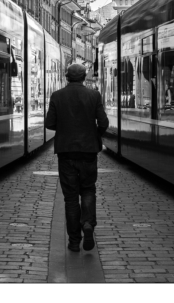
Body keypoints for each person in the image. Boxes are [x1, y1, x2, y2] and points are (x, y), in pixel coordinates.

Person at [46, 63, 109, 252]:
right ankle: (88, 223)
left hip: (66, 153)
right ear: (84, 77)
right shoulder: (94, 95)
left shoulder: (57, 96)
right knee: (88, 189)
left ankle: (74, 241)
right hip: (89, 151)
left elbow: (50, 124)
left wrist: (66, 130)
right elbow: (104, 123)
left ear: (67, 77)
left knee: (71, 198)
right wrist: (94, 133)